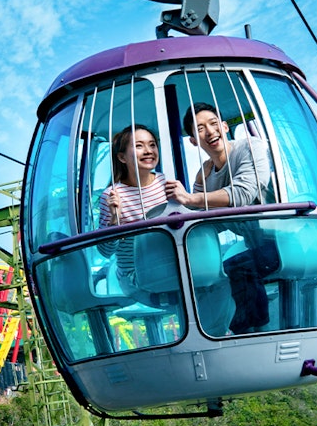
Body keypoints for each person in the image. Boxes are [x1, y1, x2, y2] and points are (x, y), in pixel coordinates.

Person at [166, 103, 278, 333]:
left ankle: (257, 333)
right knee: (213, 275)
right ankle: (224, 332)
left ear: (225, 126)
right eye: (200, 129)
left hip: (281, 238)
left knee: (236, 268)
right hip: (255, 244)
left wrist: (191, 197)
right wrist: (194, 189)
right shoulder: (206, 174)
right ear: (194, 141)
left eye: (213, 123)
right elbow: (198, 219)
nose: (210, 131)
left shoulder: (251, 147)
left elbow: (244, 193)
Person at [98, 124, 168, 298]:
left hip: (167, 265)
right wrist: (115, 220)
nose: (148, 150)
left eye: (152, 145)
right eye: (139, 146)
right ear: (122, 157)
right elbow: (105, 252)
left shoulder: (165, 182)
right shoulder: (112, 195)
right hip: (135, 277)